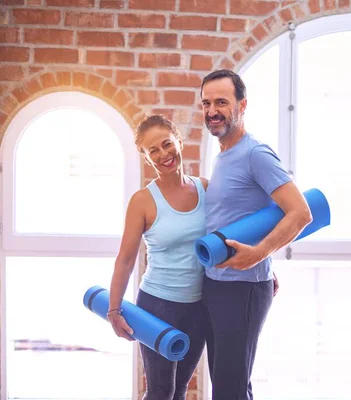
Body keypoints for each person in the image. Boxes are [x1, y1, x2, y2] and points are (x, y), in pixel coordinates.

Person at [200, 69, 313, 400]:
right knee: (228, 387)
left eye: (221, 102)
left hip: (242, 290)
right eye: (206, 103)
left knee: (230, 391)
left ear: (242, 105)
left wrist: (261, 254)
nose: (211, 111)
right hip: (218, 285)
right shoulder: (224, 156)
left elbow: (300, 212)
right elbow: (243, 215)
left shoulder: (255, 154)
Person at [106, 114, 208, 400]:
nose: (163, 154)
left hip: (198, 307)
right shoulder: (143, 201)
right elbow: (125, 260)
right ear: (145, 156)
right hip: (157, 307)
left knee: (179, 390)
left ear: (179, 141)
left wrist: (263, 266)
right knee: (160, 392)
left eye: (166, 144)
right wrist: (114, 311)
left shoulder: (206, 188)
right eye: (153, 150)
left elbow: (232, 234)